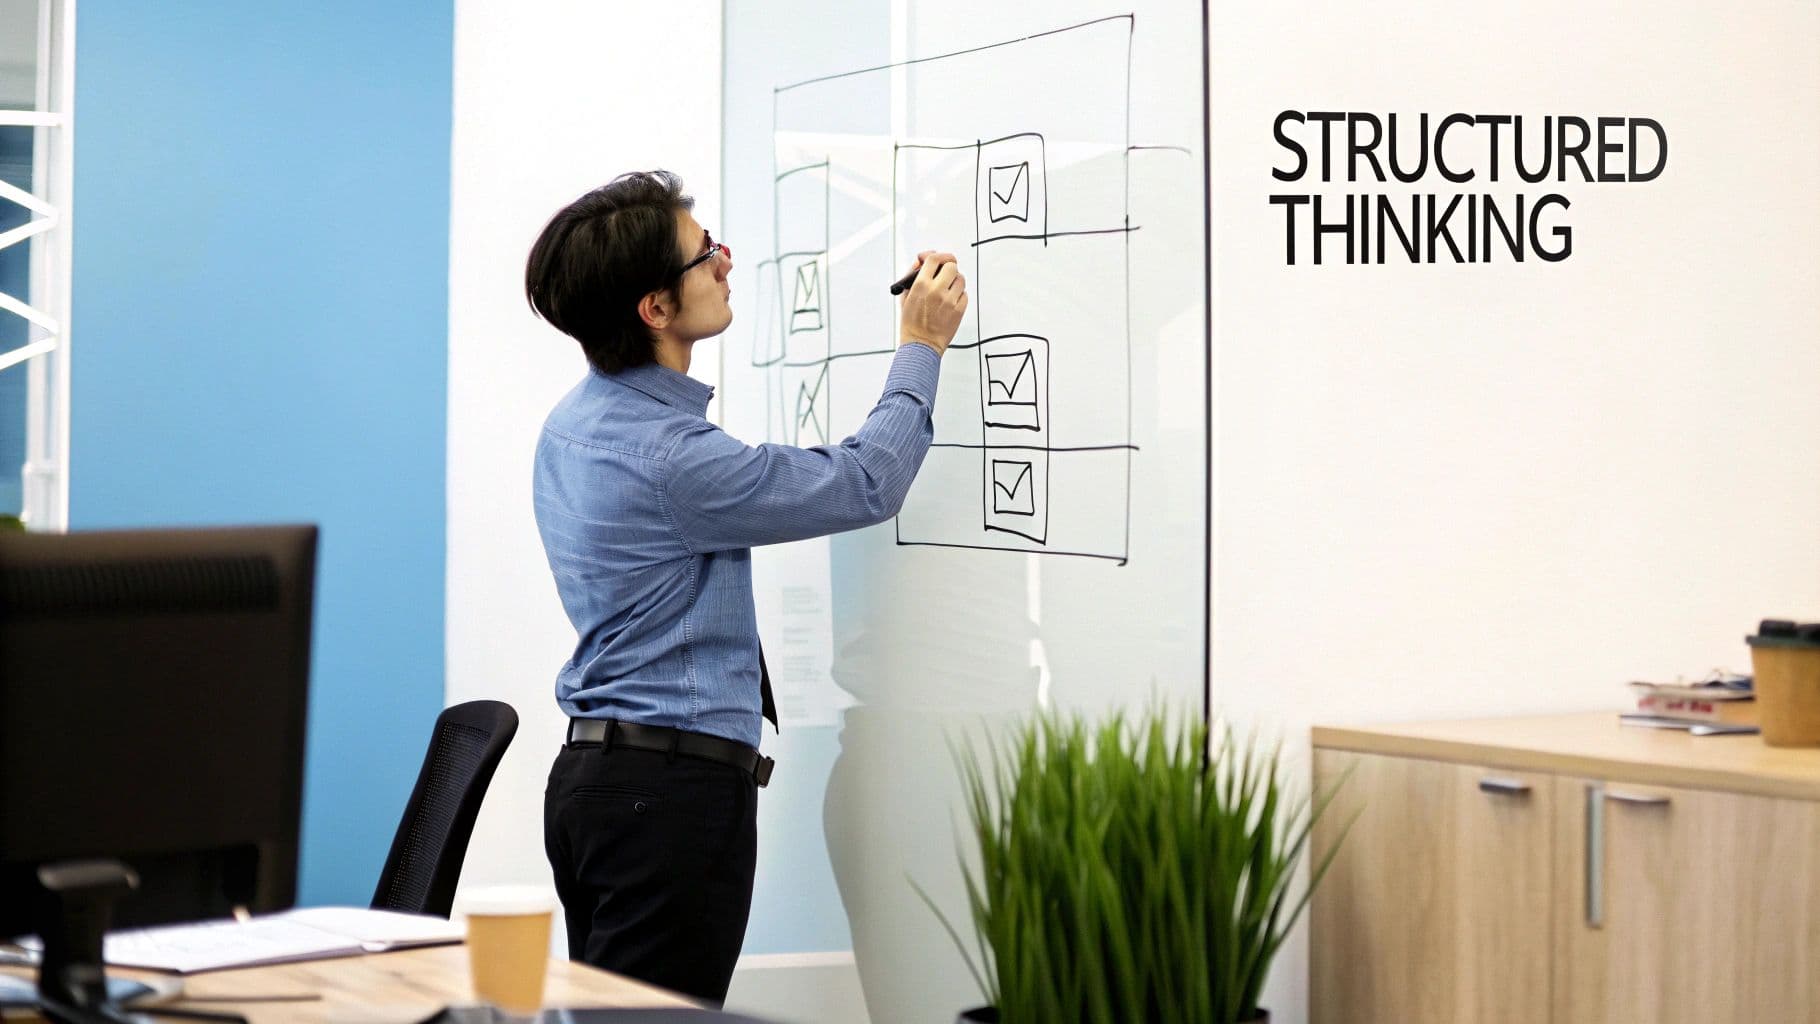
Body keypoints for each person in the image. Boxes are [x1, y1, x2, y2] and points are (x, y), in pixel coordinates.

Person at [524, 169, 967, 1004]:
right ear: (655, 309)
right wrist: (922, 346)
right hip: (669, 802)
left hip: (595, 787)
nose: (727, 262)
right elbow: (866, 482)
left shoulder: (575, 425)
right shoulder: (671, 459)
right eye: (705, 255)